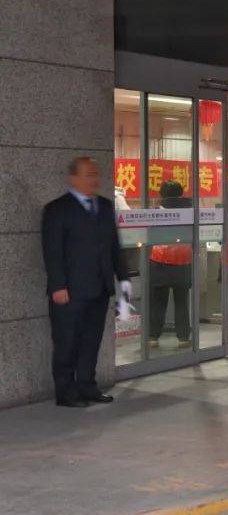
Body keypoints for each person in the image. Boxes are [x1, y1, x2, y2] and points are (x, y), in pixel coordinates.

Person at [41, 157, 131, 407]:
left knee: (91, 341)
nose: (95, 179)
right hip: (69, 291)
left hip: (99, 288)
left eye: (96, 173)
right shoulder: (57, 209)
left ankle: (87, 386)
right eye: (88, 174)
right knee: (67, 342)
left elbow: (114, 247)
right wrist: (58, 286)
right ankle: (66, 392)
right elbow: (52, 251)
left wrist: (123, 278)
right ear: (74, 178)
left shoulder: (105, 206)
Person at [148, 181, 192, 348]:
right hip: (183, 261)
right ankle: (183, 338)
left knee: (158, 302)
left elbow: (149, 235)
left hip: (159, 261)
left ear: (162, 195)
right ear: (181, 194)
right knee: (182, 302)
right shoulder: (189, 212)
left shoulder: (157, 212)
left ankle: (153, 337)